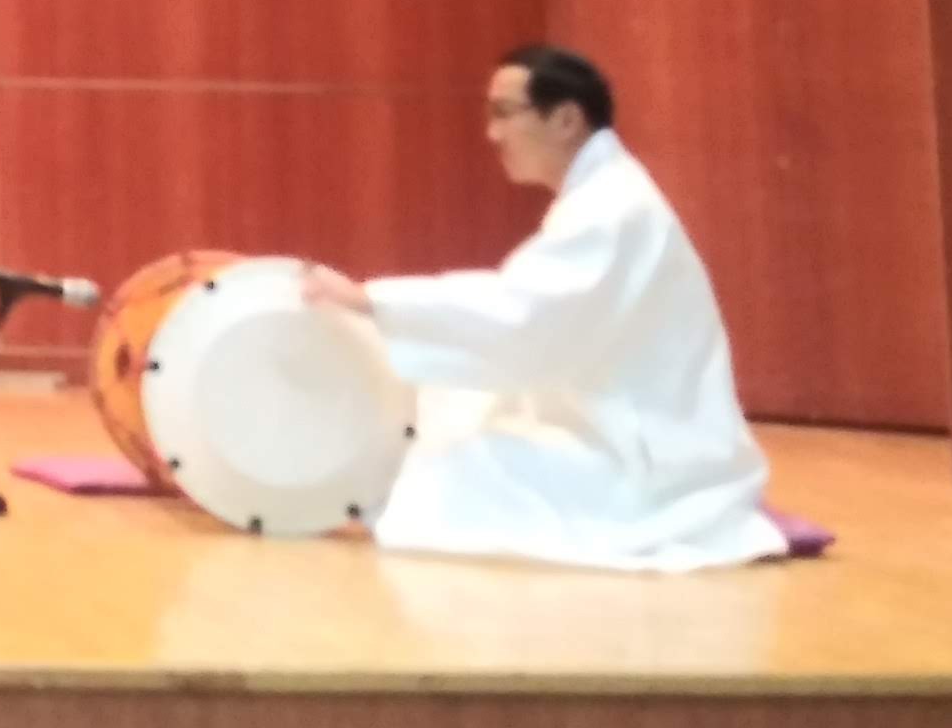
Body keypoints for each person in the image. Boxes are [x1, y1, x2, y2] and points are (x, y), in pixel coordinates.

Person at [301, 47, 788, 572]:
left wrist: (370, 299)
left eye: (504, 113)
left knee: (448, 467)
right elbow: (530, 316)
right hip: (619, 422)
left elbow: (521, 315)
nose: (492, 134)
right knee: (443, 405)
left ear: (566, 120)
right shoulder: (604, 194)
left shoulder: (612, 208)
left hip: (646, 459)